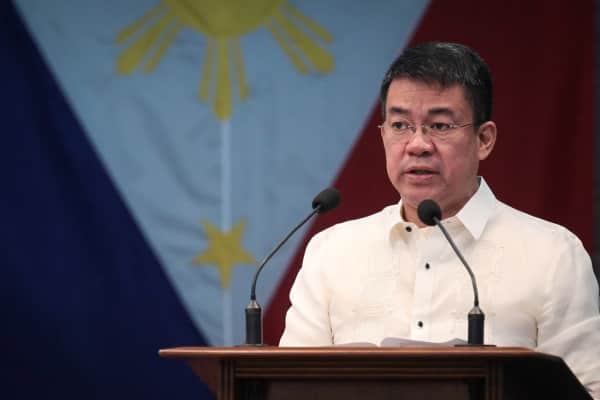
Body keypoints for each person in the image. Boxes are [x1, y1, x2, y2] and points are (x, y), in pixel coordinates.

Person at [279, 42, 600, 397]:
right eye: (400, 125)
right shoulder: (331, 252)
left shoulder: (553, 254)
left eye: (440, 125)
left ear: (484, 139)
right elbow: (287, 386)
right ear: (383, 135)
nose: (417, 144)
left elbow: (589, 390)